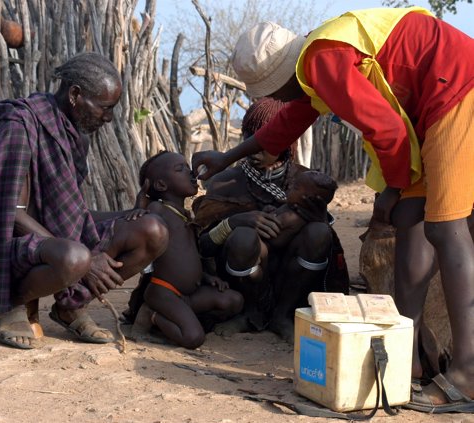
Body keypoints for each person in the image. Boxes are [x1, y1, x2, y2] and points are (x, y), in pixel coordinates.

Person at [192, 7, 474, 412]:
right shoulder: (318, 62)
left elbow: (388, 131)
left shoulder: (322, 58)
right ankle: (406, 358)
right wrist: (228, 156)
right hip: (426, 107)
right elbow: (285, 125)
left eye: (275, 90)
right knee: (410, 221)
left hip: (455, 86)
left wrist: (393, 187)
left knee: (446, 228)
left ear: (283, 76)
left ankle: (467, 372)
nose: (279, 98)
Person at [0, 52, 168, 350]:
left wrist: (131, 215)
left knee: (153, 230)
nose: (109, 118)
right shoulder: (17, 123)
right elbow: (8, 213)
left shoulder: (74, 134)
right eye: (105, 108)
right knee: (76, 258)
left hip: (52, 242)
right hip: (9, 245)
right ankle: (12, 302)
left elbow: (69, 214)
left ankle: (70, 306)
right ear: (76, 94)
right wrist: (87, 260)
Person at [193, 97, 349, 343]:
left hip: (293, 275)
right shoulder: (225, 181)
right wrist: (234, 223)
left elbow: (326, 241)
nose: (254, 148)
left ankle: (283, 315)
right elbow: (203, 246)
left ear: (286, 142)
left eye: (264, 142)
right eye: (249, 139)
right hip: (241, 278)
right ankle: (250, 313)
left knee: (320, 233)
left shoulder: (306, 180)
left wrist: (314, 219)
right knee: (243, 238)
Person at [130, 151, 244, 349]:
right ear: (161, 185)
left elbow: (189, 256)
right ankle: (152, 315)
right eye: (180, 169)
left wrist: (208, 278)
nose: (190, 172)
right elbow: (136, 224)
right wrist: (139, 206)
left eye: (187, 166)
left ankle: (179, 315)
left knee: (234, 300)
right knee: (193, 338)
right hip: (164, 291)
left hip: (188, 295)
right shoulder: (158, 210)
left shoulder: (186, 214)